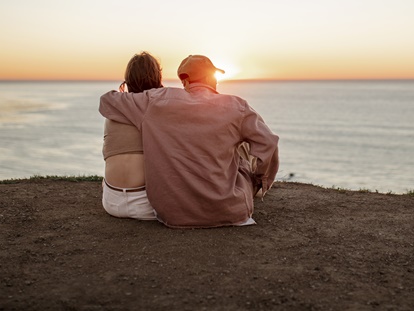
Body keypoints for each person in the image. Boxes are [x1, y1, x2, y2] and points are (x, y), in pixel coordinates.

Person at [99, 54, 280, 229]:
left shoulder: (157, 102)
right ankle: (256, 188)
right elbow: (268, 144)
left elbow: (107, 100)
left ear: (184, 82)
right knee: (241, 145)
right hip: (230, 210)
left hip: (173, 215)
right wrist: (260, 180)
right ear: (212, 78)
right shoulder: (236, 106)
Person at [101, 51, 163, 220]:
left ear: (128, 79)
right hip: (147, 205)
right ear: (157, 77)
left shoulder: (113, 110)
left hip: (111, 202)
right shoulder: (159, 109)